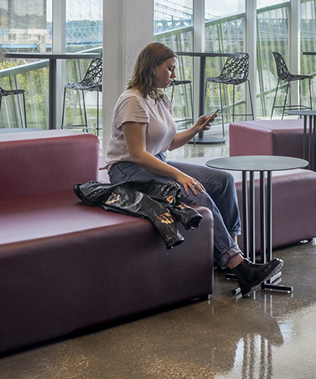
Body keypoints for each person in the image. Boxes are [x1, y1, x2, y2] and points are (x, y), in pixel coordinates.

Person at [105, 42, 283, 294]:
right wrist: (179, 175)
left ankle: (233, 254)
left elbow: (169, 143)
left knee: (223, 180)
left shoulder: (159, 97)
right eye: (169, 69)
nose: (173, 75)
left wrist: (196, 128)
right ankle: (240, 267)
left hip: (156, 161)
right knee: (196, 191)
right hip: (127, 170)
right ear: (152, 67)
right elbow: (138, 154)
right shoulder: (132, 101)